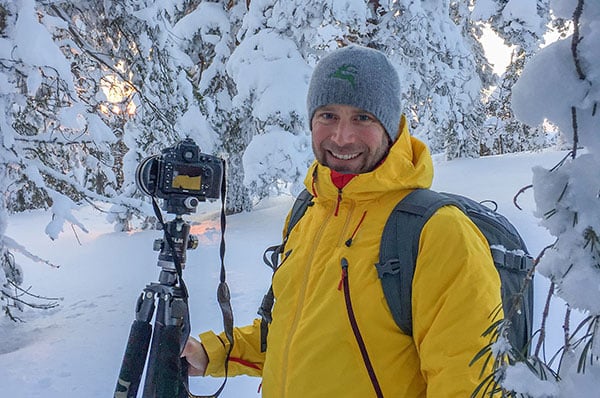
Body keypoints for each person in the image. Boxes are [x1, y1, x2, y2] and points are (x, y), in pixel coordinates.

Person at [183, 45, 502, 397]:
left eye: (362, 117)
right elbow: (294, 335)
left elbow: (468, 381)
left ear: (391, 126)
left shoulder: (436, 231)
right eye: (328, 116)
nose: (342, 137)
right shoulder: (310, 211)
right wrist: (212, 353)